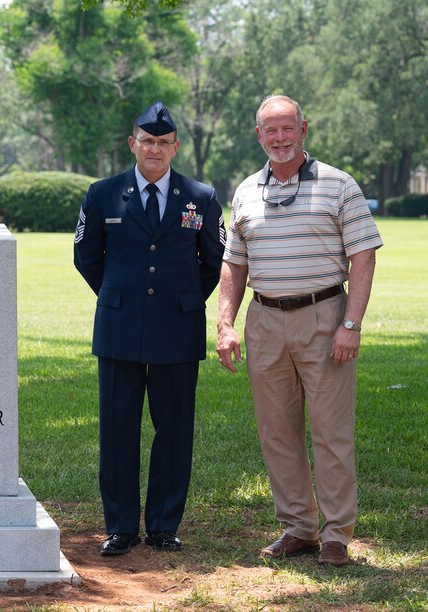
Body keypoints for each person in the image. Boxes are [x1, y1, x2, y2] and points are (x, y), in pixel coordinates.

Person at [216, 95, 382, 567]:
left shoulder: (338, 185)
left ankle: (336, 535)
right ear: (259, 135)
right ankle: (299, 528)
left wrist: (351, 324)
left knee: (331, 431)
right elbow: (234, 263)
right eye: (271, 130)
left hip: (324, 317)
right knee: (277, 432)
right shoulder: (246, 190)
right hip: (264, 320)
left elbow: (364, 257)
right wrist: (226, 323)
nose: (280, 138)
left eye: (288, 129)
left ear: (303, 129)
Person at [74, 101, 225, 556]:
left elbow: (213, 263)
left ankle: (163, 525)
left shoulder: (200, 196)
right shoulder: (103, 194)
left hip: (177, 330)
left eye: (162, 142)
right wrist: (121, 296)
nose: (154, 149)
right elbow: (87, 257)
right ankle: (120, 526)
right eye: (146, 140)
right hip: (119, 327)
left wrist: (181, 303)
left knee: (174, 430)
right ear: (132, 144)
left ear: (175, 147)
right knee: (118, 430)